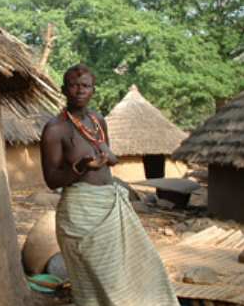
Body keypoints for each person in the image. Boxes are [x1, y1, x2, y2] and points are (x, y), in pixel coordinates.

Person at [41, 64, 179, 306]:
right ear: (64, 89)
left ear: (93, 89)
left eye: (85, 85)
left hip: (111, 204)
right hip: (81, 214)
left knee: (139, 269)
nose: (80, 90)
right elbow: (51, 180)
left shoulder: (98, 120)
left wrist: (109, 159)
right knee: (99, 283)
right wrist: (81, 168)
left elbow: (108, 154)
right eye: (74, 85)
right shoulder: (56, 128)